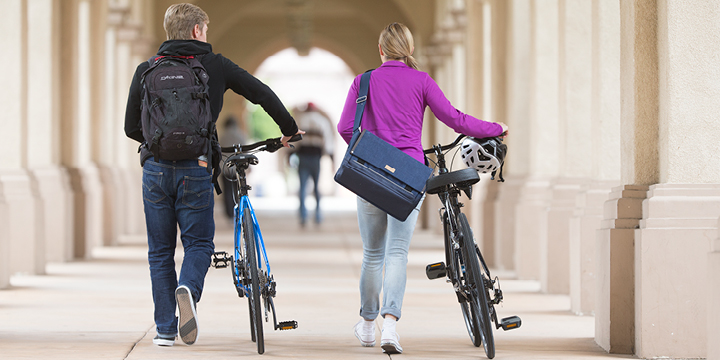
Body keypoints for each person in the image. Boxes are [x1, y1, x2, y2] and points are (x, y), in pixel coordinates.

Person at [124, 3, 303, 347]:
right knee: (199, 245)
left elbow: (131, 126)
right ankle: (188, 290)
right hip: (198, 167)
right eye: (205, 30)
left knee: (160, 252)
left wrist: (159, 146)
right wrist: (289, 129)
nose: (206, 35)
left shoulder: (146, 69)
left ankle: (164, 329)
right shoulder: (215, 65)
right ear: (196, 31)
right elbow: (261, 92)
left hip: (156, 173)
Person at [337, 22, 508, 355]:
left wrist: (373, 150)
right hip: (410, 175)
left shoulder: (364, 81)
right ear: (410, 50)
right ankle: (391, 326)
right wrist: (495, 128)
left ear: (381, 50)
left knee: (373, 255)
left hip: (372, 173)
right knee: (397, 253)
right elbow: (456, 119)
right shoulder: (422, 81)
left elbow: (346, 127)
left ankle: (368, 327)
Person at [293, 102, 334, 227]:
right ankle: (317, 215)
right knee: (316, 187)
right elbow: (328, 143)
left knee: (303, 187)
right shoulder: (322, 122)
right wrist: (331, 158)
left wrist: (289, 154)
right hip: (316, 157)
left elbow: (294, 141)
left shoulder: (300, 121)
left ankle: (303, 216)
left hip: (303, 157)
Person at [219, 115, 248, 219]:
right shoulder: (241, 135)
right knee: (238, 190)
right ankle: (239, 212)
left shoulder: (222, 136)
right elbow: (246, 150)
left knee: (227, 191)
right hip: (237, 167)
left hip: (225, 167)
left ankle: (230, 214)